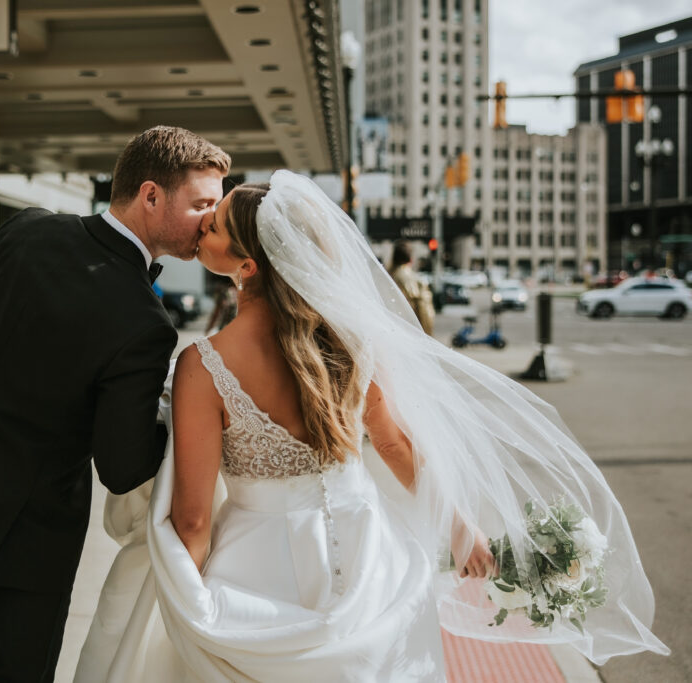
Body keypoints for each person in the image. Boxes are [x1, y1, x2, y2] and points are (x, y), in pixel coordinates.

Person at [76, 171, 668, 681]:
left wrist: (191, 599)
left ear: (248, 266)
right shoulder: (353, 344)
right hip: (369, 562)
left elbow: (193, 519)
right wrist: (461, 529)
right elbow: (395, 443)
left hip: (255, 571)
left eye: (214, 225)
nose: (202, 225)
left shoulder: (204, 368)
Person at [0, 126, 230, 682]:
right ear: (150, 195)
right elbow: (122, 466)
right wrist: (188, 425)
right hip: (33, 535)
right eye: (202, 203)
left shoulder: (24, 231)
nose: (210, 219)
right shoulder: (144, 325)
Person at [388, 239, 435, 335]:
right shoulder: (413, 280)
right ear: (410, 259)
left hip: (389, 326)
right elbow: (424, 312)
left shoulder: (387, 275)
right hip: (408, 328)